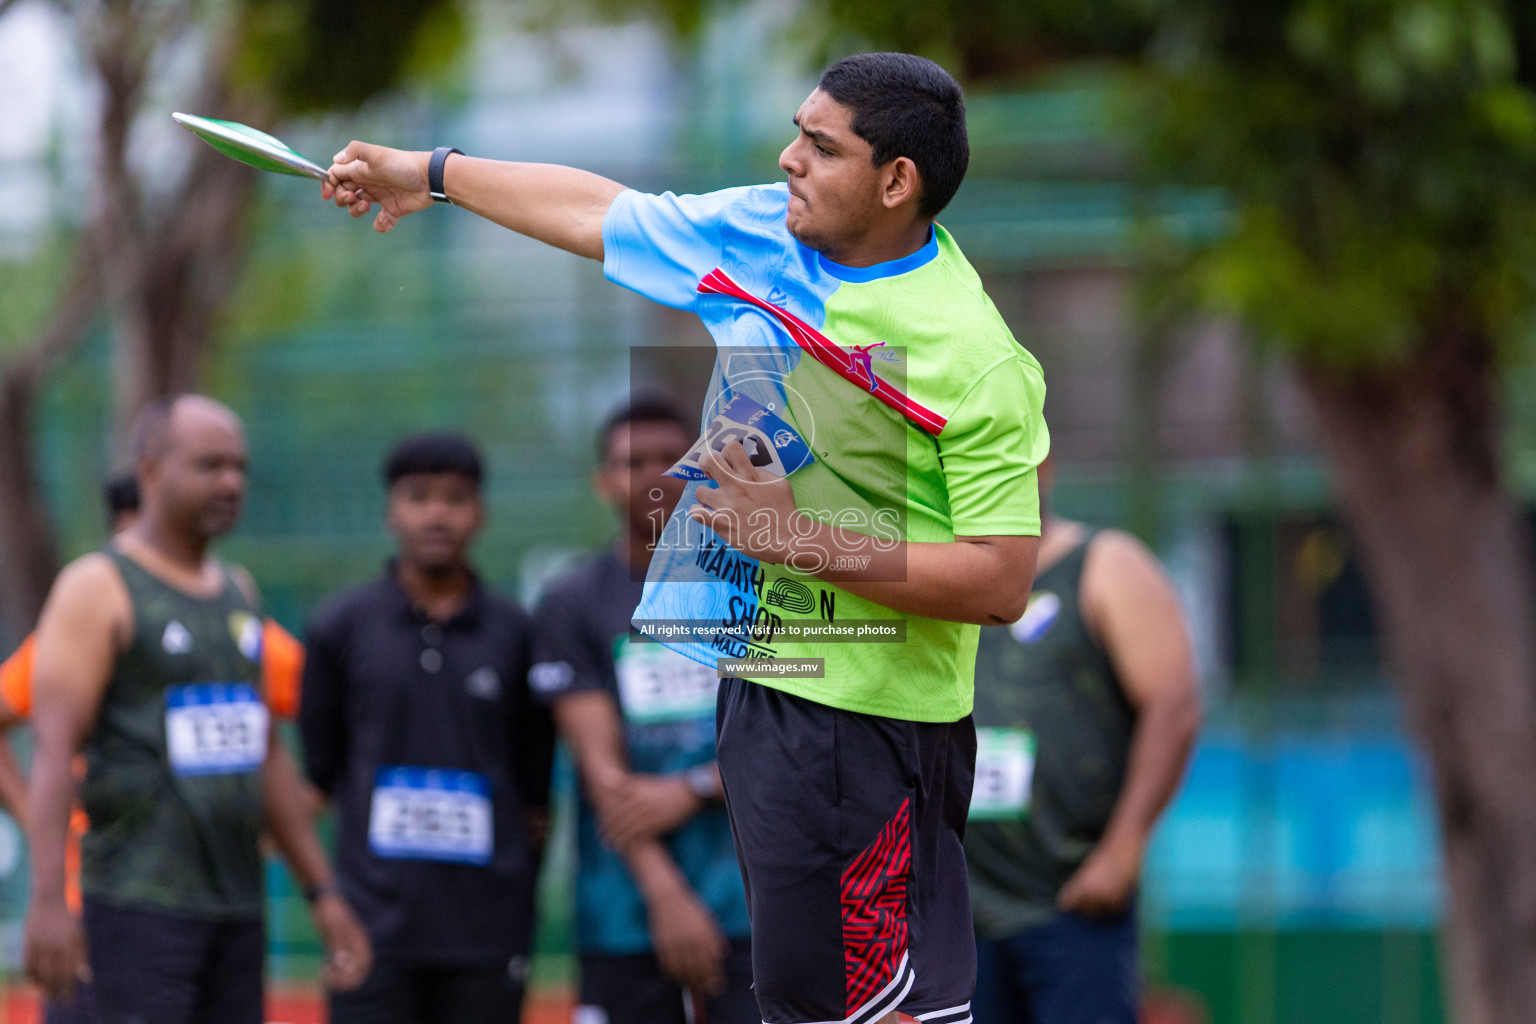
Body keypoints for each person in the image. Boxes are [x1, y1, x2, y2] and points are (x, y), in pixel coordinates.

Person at [321, 51, 1049, 1024]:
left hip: (876, 734)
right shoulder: (764, 234)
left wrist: (795, 539)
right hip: (765, 698)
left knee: (872, 1013)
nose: (788, 158)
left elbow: (1002, 582)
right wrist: (437, 173)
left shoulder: (974, 356)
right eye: (796, 131)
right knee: (815, 1005)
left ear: (896, 181)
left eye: (819, 145)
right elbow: (601, 213)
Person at [22, 394, 373, 1024]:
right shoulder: (98, 587)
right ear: (152, 470)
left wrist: (322, 890)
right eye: (209, 466)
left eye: (239, 467)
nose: (231, 482)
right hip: (134, 905)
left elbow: (263, 753)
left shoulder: (238, 590)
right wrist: (48, 898)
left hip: (236, 909)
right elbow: (52, 755)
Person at [0, 472, 309, 1024]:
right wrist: (36, 822)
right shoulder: (78, 624)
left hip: (220, 903)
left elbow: (305, 732)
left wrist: (283, 824)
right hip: (103, 900)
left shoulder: (235, 623)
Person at [299, 432, 555, 1024]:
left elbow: (535, 796)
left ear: (480, 513)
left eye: (455, 497)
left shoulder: (518, 634)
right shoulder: (339, 627)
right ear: (392, 510)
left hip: (487, 931)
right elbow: (320, 778)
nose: (437, 513)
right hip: (371, 929)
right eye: (418, 497)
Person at [530, 399, 755, 1024]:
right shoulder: (572, 602)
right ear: (604, 481)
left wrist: (694, 786)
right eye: (634, 462)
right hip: (622, 917)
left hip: (754, 907)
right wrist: (665, 897)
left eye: (672, 459)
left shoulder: (761, 584)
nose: (655, 475)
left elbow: (786, 738)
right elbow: (603, 774)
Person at [964, 457, 1202, 1024]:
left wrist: (1125, 846)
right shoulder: (941, 582)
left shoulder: (1104, 564)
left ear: (1042, 467)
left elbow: (1174, 704)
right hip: (955, 912)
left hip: (1070, 899)